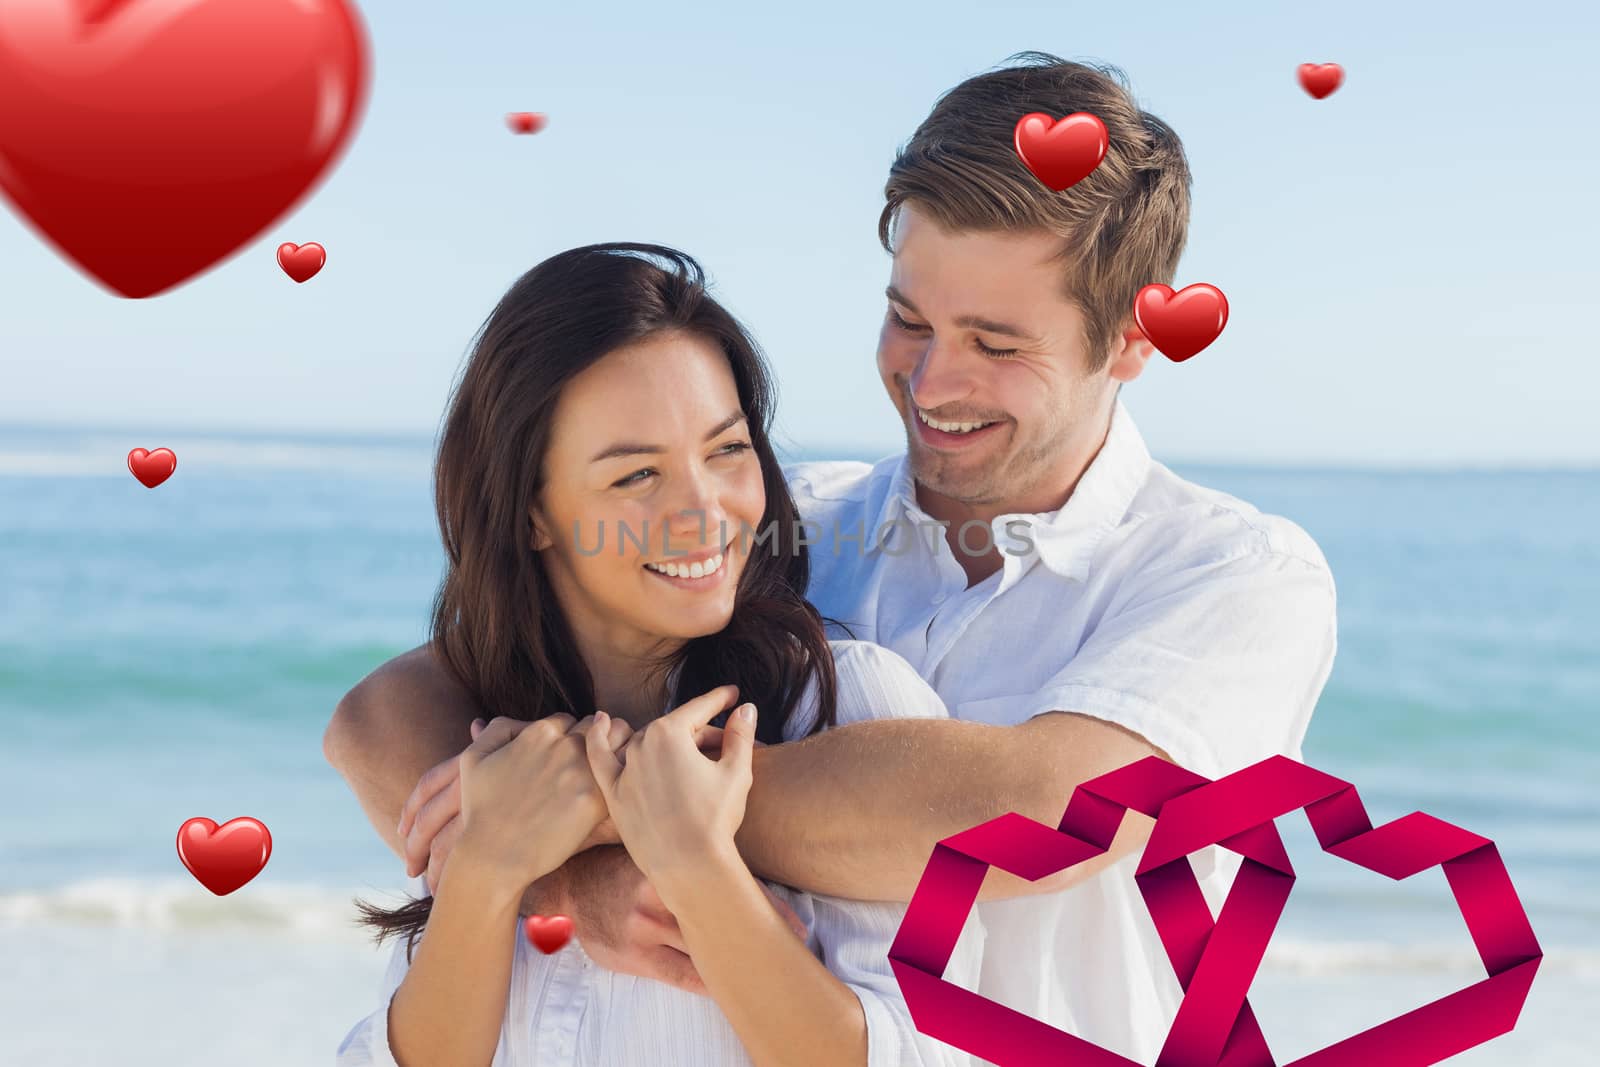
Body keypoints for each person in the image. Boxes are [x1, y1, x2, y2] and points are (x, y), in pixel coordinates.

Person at [326, 53, 1337, 1062]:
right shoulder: (771, 531)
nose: (932, 379)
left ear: (1130, 338)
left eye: (994, 343)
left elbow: (1046, 818)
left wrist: (603, 812)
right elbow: (390, 709)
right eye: (909, 318)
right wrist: (543, 874)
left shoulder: (1232, 575)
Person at [335, 242, 981, 1066]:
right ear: (533, 510)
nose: (704, 512)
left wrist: (697, 864)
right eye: (637, 475)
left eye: (727, 450)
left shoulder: (847, 706)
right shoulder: (487, 757)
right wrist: (488, 871)